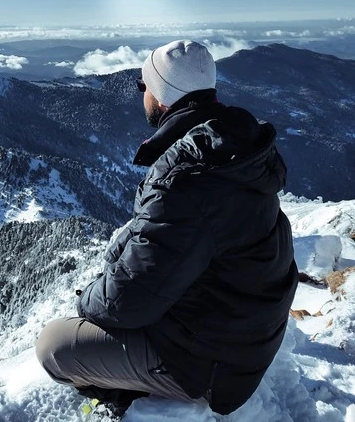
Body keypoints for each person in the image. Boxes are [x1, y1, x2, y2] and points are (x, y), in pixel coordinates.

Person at [36, 40, 298, 416]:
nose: (141, 95)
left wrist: (85, 301)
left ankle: (125, 397)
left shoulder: (186, 178)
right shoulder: (233, 147)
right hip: (245, 332)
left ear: (160, 97)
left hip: (215, 363)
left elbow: (126, 302)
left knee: (54, 346)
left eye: (143, 87)